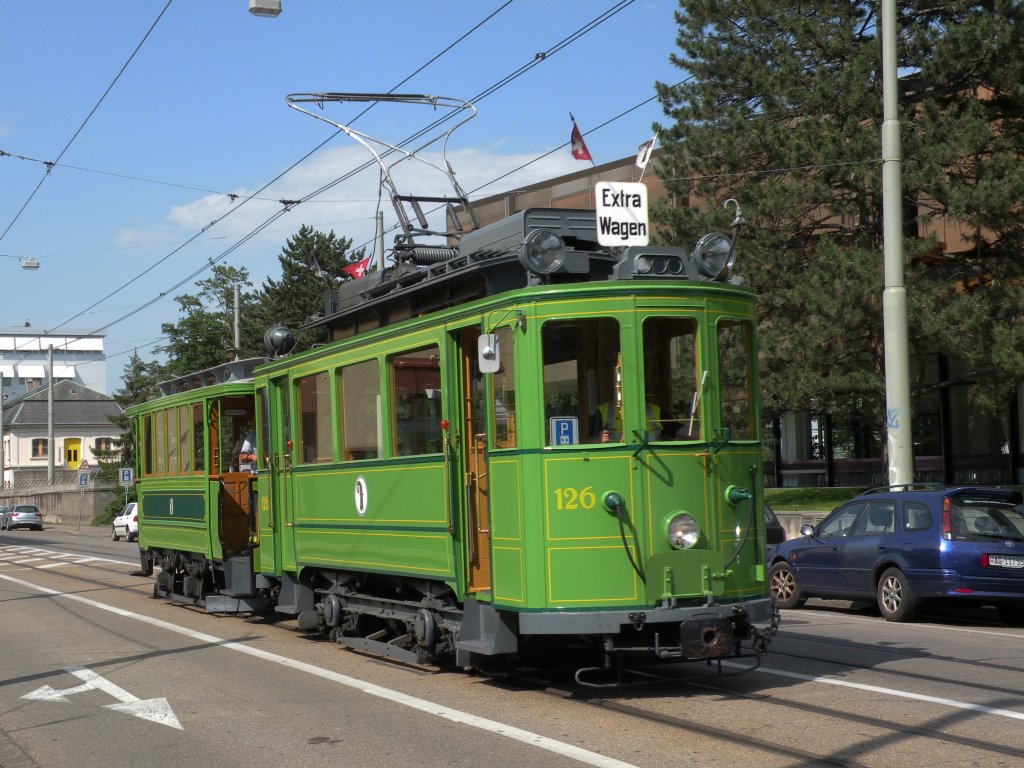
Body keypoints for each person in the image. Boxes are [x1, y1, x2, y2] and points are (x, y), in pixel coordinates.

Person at [593, 398, 662, 443]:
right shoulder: (602, 409)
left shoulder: (656, 409)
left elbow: (669, 437)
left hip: (652, 455)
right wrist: (599, 440)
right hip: (615, 455)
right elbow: (588, 441)